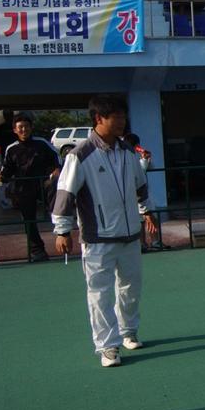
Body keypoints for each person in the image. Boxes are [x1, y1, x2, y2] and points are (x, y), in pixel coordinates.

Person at [51, 95, 157, 367]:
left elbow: (140, 186)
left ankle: (128, 331)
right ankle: (107, 346)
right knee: (100, 293)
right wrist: (62, 231)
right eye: (116, 117)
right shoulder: (80, 155)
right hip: (98, 240)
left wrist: (146, 211)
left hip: (130, 235)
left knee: (131, 288)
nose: (122, 122)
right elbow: (65, 194)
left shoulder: (127, 152)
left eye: (123, 116)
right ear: (99, 118)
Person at [0, 112, 61, 261]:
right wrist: (2, 176)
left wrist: (57, 169)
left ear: (31, 128)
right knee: (29, 221)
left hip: (42, 184)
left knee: (55, 187)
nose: (23, 130)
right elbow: (7, 169)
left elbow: (57, 158)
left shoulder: (42, 143)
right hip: (23, 188)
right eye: (20, 127)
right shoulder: (11, 149)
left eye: (26, 126)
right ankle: (38, 251)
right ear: (15, 130)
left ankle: (56, 219)